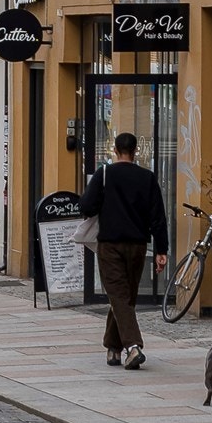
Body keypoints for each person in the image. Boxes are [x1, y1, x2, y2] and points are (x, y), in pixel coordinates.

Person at [78, 132, 167, 370]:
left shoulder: (104, 174)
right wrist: (162, 249)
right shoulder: (147, 178)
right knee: (125, 297)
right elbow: (158, 216)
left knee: (119, 296)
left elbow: (85, 206)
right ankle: (113, 347)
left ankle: (132, 347)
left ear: (115, 150)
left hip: (110, 245)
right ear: (135, 151)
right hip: (138, 246)